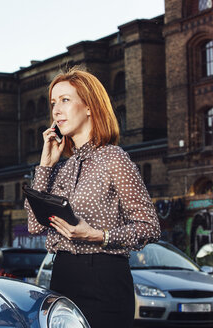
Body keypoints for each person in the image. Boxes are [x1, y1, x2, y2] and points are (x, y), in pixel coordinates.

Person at [25, 67, 160, 327]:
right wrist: (45, 165)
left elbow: (150, 227)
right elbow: (34, 223)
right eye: (53, 103)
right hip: (62, 277)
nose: (56, 110)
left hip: (103, 279)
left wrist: (98, 235)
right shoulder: (62, 167)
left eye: (65, 100)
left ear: (89, 107)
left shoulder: (114, 158)